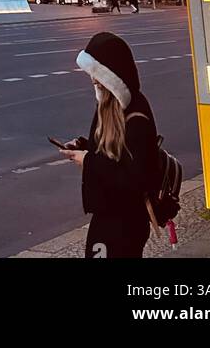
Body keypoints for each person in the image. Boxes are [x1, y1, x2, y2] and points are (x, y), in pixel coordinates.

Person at [60, 31, 160, 259]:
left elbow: (133, 177)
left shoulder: (136, 115)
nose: (94, 80)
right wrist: (83, 145)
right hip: (108, 213)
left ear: (113, 75)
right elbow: (110, 149)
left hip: (125, 218)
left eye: (98, 74)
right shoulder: (108, 104)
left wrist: (87, 161)